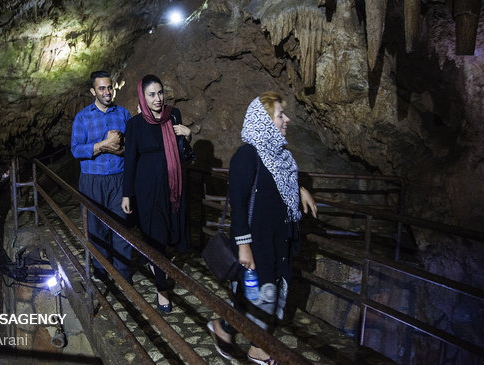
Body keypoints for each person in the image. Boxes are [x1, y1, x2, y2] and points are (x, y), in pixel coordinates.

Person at [207, 91, 317, 365]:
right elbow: (239, 203)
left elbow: (279, 185)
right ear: (265, 120)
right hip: (256, 243)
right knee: (261, 295)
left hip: (278, 241)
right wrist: (243, 244)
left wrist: (300, 188)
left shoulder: (282, 156)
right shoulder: (247, 155)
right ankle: (246, 341)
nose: (286, 119)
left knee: (267, 294)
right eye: (280, 114)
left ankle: (237, 334)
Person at [121, 74, 191, 313]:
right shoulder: (135, 125)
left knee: (169, 237)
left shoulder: (174, 115)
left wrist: (187, 135)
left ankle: (152, 262)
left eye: (160, 93)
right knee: (157, 241)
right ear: (143, 96)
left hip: (173, 188)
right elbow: (130, 162)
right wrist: (127, 194)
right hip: (148, 191)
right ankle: (162, 290)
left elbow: (183, 154)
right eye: (151, 94)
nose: (158, 98)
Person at [71, 70, 133, 284]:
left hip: (118, 178)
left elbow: (131, 147)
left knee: (121, 227)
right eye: (102, 88)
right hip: (92, 180)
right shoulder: (82, 117)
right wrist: (104, 145)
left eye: (109, 87)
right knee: (96, 228)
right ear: (93, 91)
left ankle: (123, 273)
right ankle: (100, 270)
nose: (107, 92)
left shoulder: (123, 114)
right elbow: (76, 150)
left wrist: (118, 150)